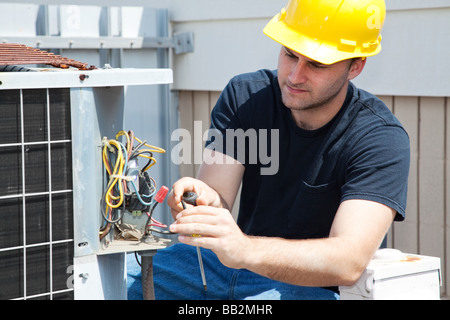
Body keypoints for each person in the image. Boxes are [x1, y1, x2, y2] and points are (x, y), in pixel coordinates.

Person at [139, 0, 410, 300]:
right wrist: (201, 196)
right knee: (110, 279)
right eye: (290, 54)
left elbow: (347, 261)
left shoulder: (379, 138)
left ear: (356, 66)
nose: (294, 76)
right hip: (226, 269)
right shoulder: (246, 97)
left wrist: (244, 249)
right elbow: (218, 197)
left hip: (312, 290)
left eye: (317, 64)